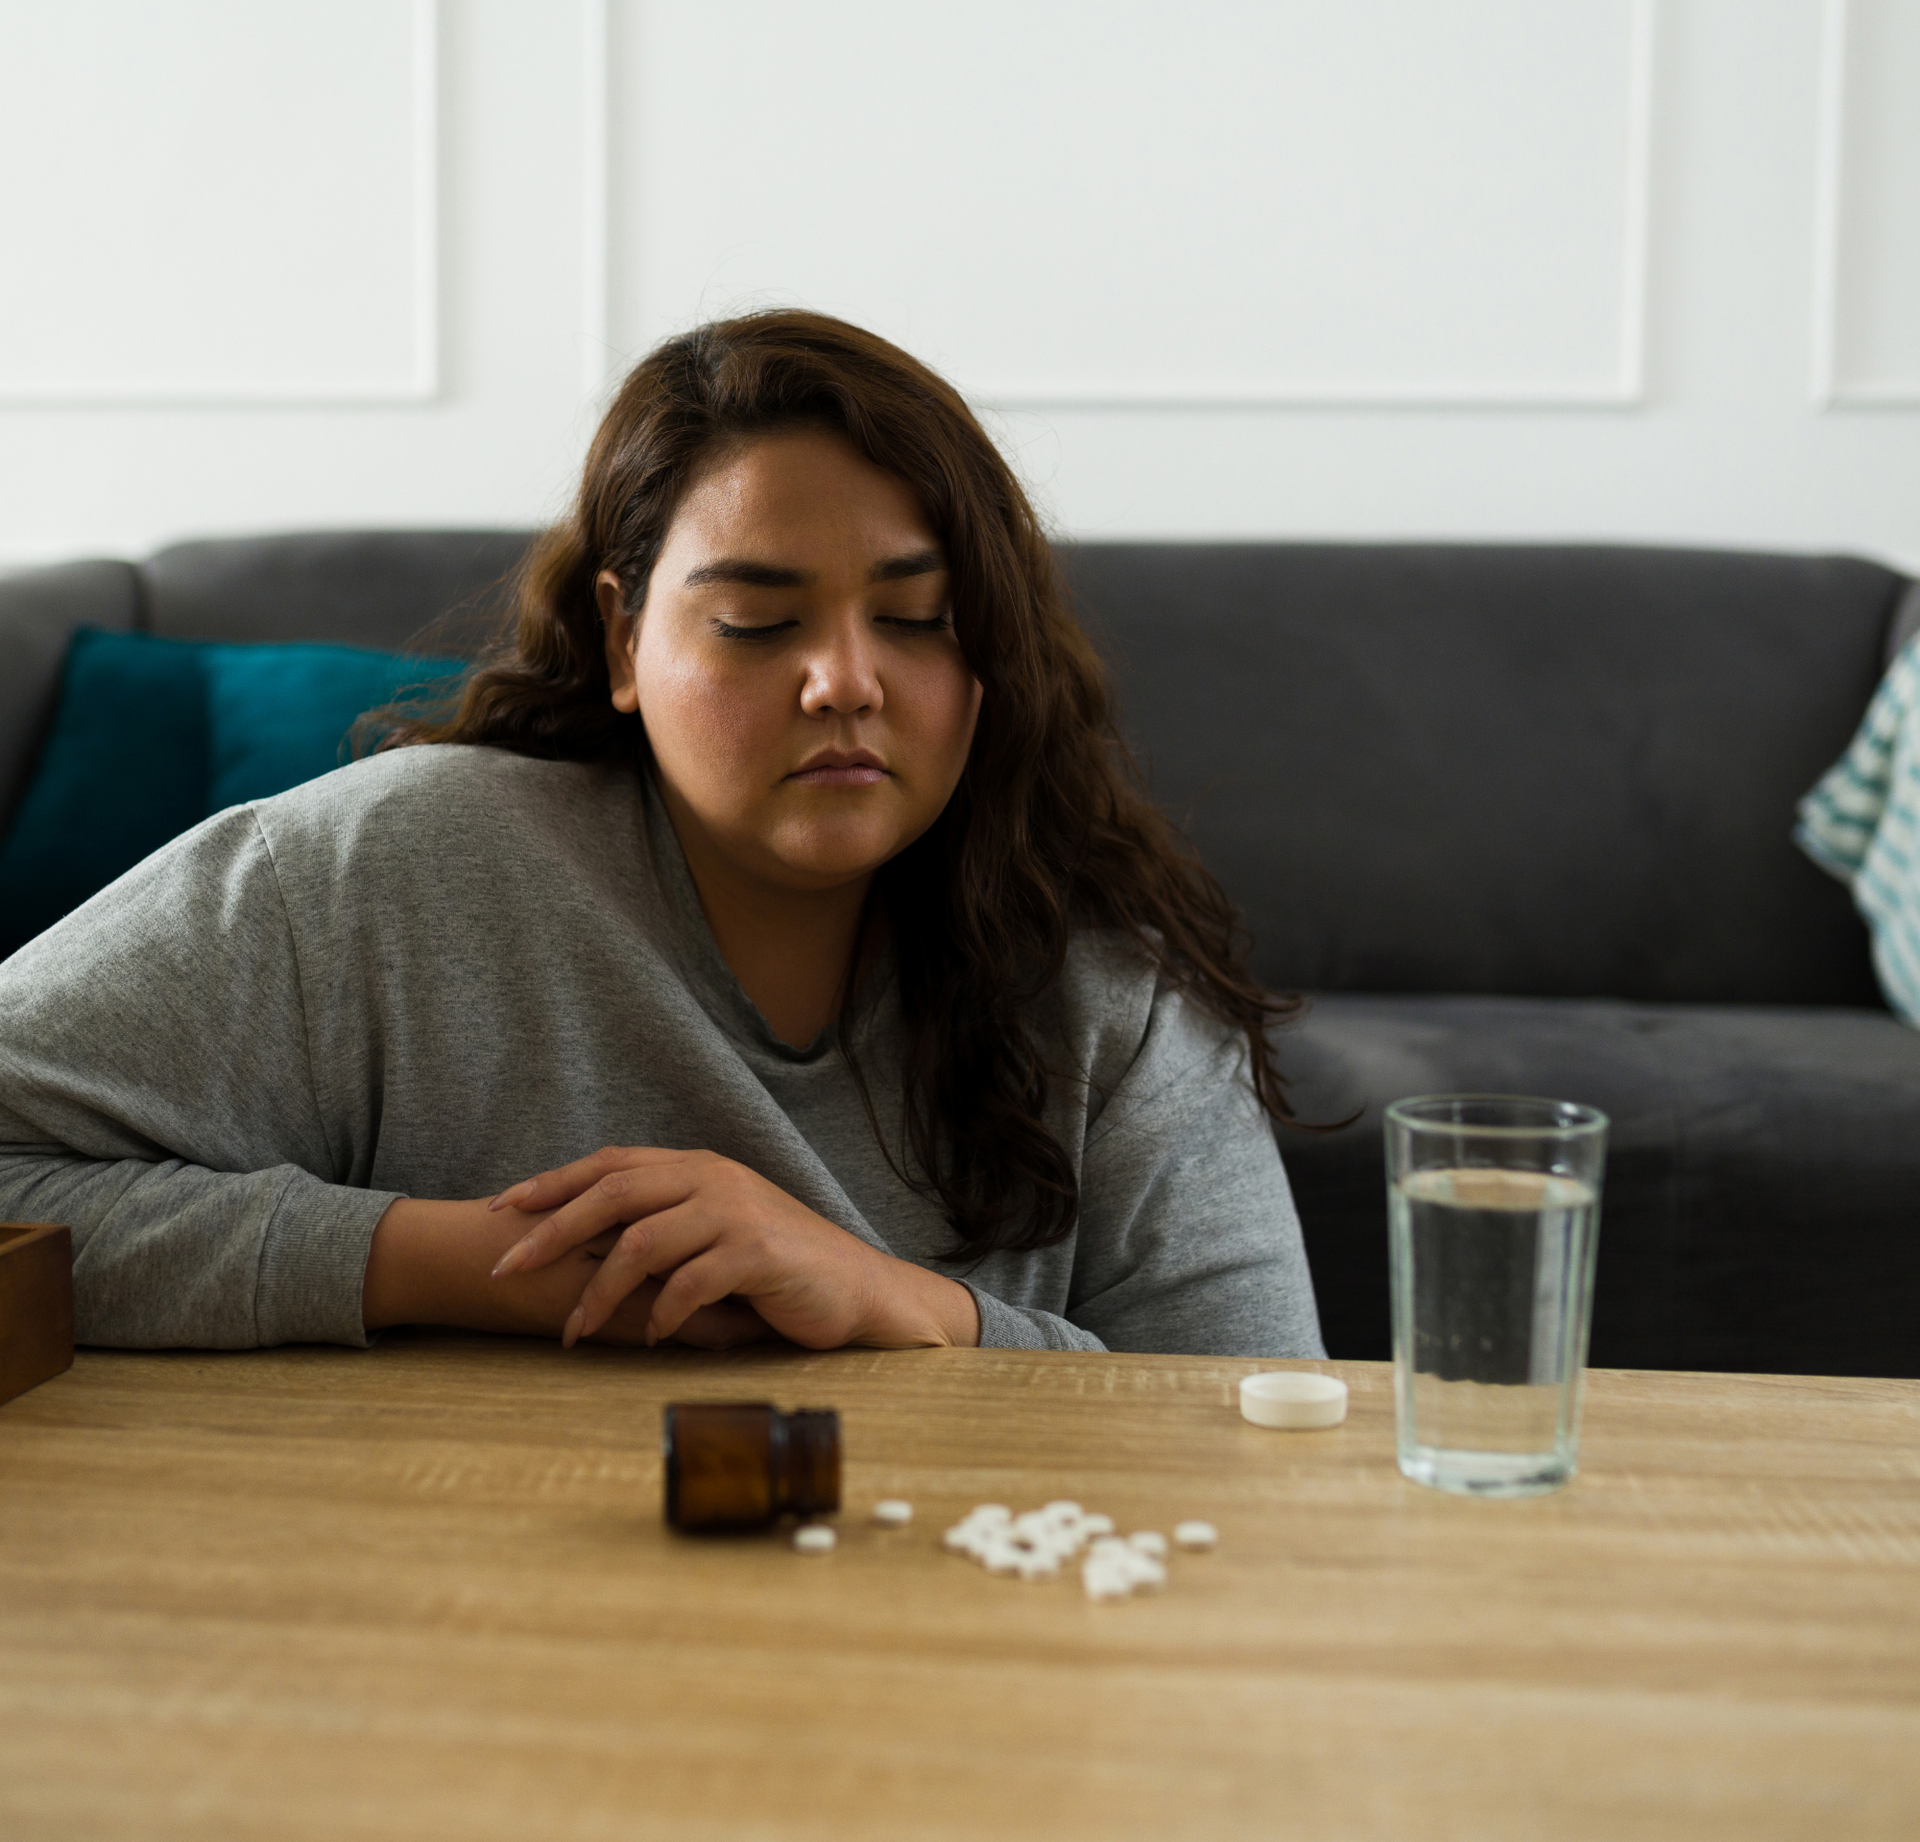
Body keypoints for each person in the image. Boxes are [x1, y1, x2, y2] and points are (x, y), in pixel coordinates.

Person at [0, 311, 1324, 1359]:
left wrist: (902, 1306)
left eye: (919, 617)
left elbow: (1262, 1422)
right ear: (627, 637)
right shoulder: (387, 871)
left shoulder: (1103, 984)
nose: (846, 680)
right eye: (759, 620)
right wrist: (467, 1263)